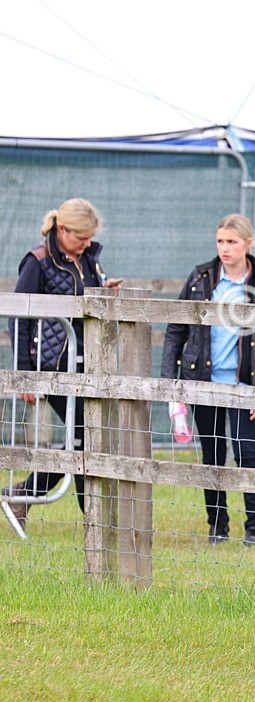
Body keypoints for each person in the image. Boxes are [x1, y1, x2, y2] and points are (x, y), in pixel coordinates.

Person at [161, 214, 255, 544]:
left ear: (248, 244)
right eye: (220, 241)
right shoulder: (200, 278)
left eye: (232, 242)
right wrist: (170, 382)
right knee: (212, 455)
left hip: (244, 385)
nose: (225, 248)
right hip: (204, 381)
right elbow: (176, 329)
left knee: (246, 454)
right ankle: (217, 525)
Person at [3, 199, 121, 526]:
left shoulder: (89, 260)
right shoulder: (37, 262)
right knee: (86, 434)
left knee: (83, 437)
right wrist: (24, 374)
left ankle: (22, 494)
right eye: (81, 237)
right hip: (53, 367)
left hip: (88, 363)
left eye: (90, 238)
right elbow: (18, 317)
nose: (86, 243)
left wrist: (104, 289)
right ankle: (94, 519)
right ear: (62, 229)